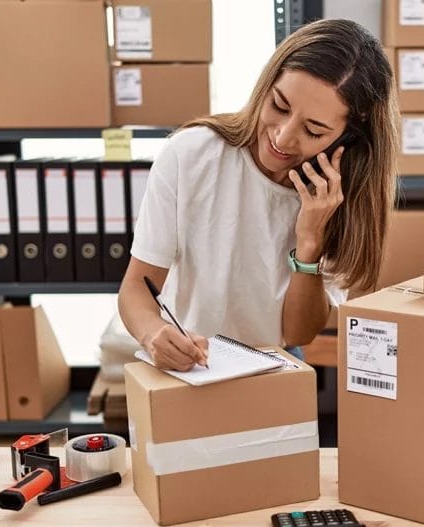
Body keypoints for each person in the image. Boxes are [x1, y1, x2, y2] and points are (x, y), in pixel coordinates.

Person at [117, 18, 397, 371]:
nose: (282, 138)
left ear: (347, 139)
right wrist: (152, 333)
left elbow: (298, 332)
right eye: (279, 106)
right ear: (266, 84)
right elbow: (135, 289)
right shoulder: (190, 154)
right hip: (189, 368)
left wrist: (310, 240)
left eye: (313, 130)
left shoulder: (338, 197)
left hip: (275, 366)